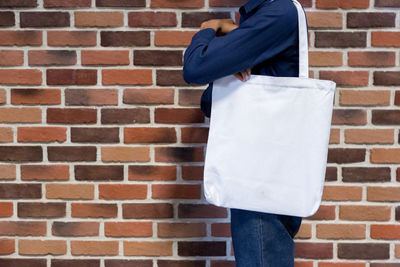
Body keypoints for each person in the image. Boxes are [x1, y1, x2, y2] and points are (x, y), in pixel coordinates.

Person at [182, 0, 305, 266]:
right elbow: (211, 101)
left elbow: (195, 67)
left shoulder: (278, 13)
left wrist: (208, 28)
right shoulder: (261, 16)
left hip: (262, 176)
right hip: (261, 170)